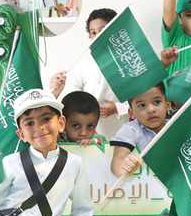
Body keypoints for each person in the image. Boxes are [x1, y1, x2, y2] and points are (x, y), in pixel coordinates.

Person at [48, 8, 130, 139]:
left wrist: (117, 108)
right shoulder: (84, 65)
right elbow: (73, 97)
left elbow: (135, 100)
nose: (97, 36)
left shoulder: (126, 62)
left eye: (102, 30)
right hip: (86, 130)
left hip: (117, 126)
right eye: (93, 33)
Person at [110, 82, 191, 176]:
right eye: (142, 105)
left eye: (157, 102)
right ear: (131, 113)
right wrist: (122, 167)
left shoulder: (175, 126)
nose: (151, 109)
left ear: (167, 105)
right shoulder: (130, 130)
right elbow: (117, 159)